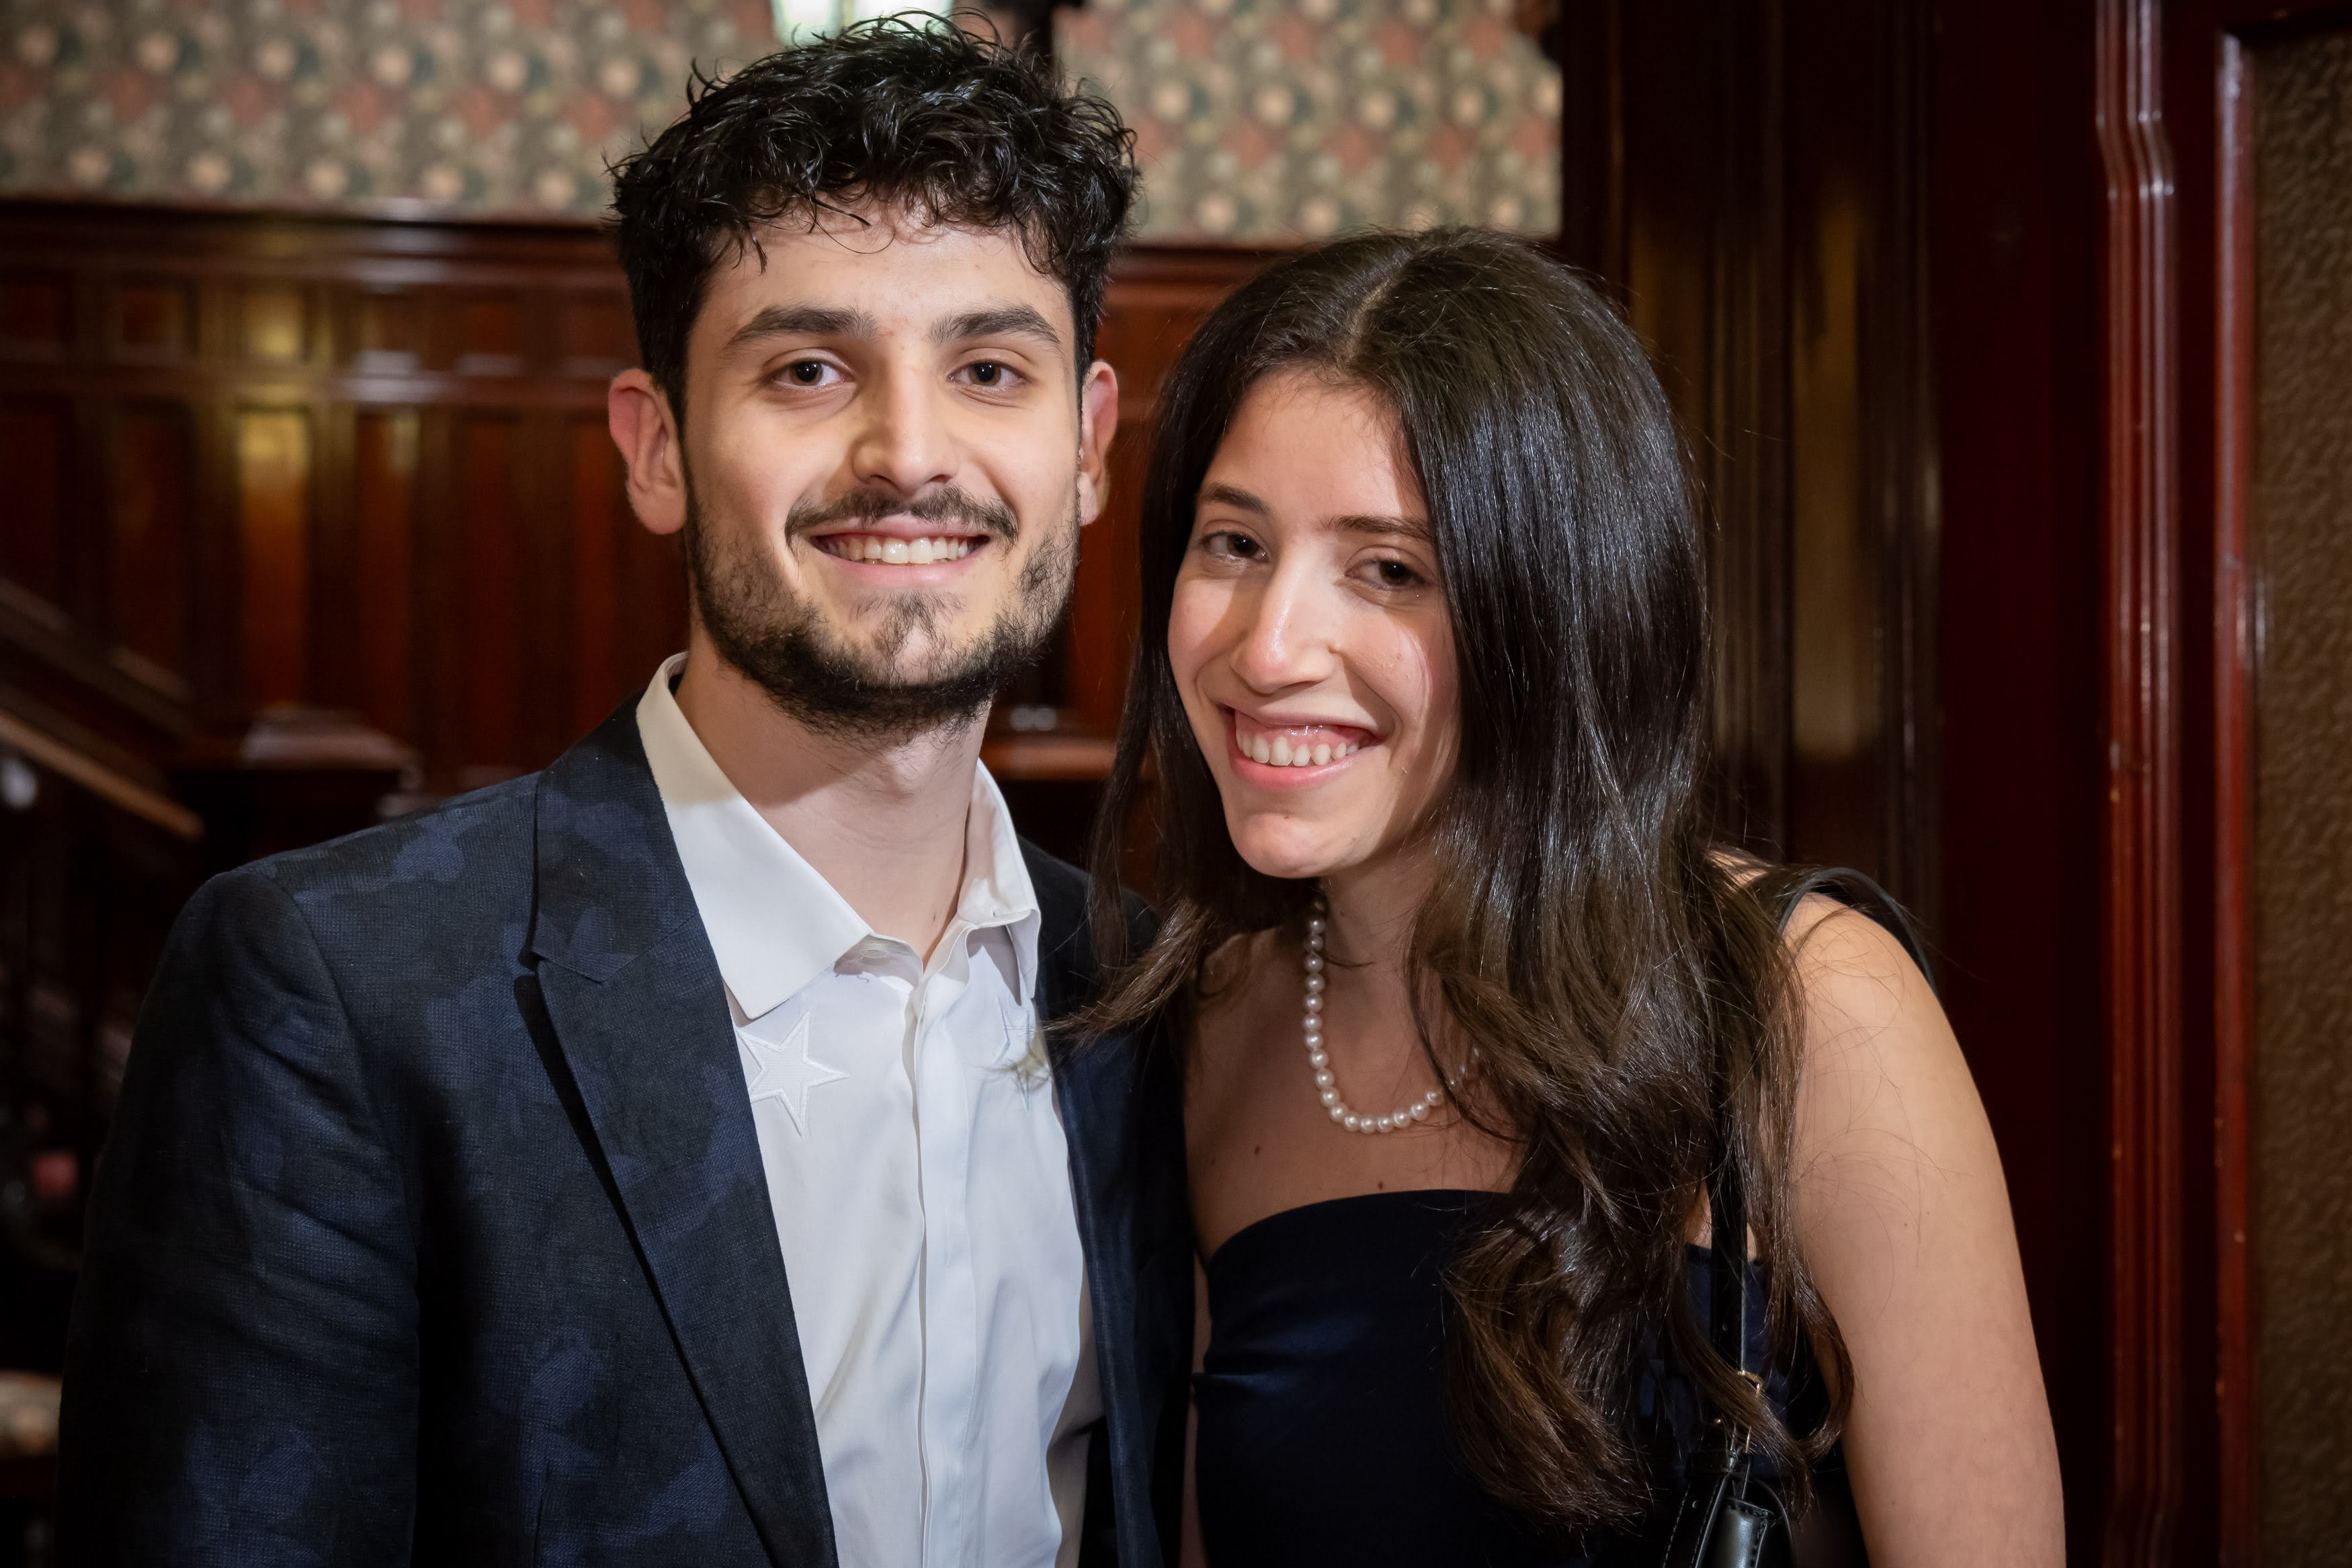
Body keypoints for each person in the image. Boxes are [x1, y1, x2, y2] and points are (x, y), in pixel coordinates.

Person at [59, 22, 1189, 1567]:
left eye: (989, 370)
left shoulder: (1151, 997)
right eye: (808, 369)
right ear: (656, 449)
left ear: (1088, 447)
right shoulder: (340, 994)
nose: (909, 454)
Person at [1083, 230, 2064, 1565]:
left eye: (1390, 569)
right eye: (1234, 542)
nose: (1267, 647)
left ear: (1554, 611)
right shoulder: (1218, 1029)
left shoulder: (1807, 1004)